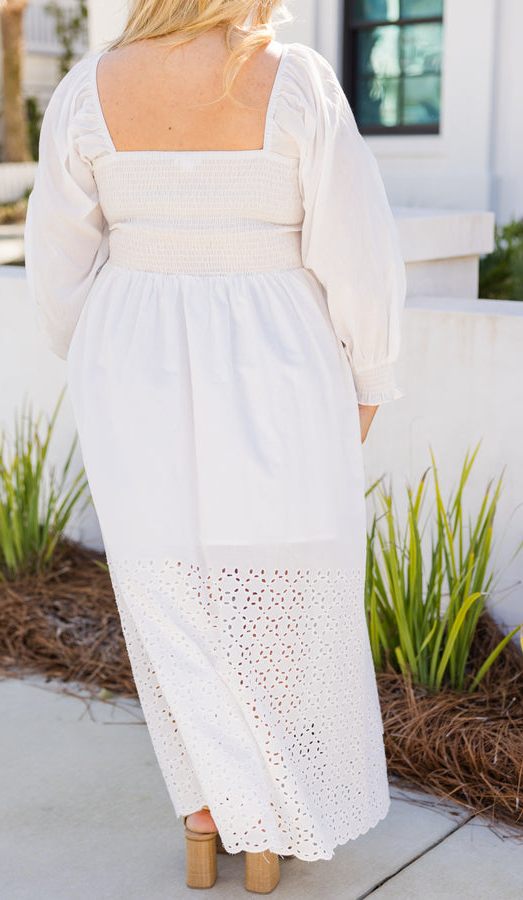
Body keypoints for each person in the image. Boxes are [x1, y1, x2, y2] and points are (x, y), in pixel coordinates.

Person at [24, 0, 406, 893]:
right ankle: (268, 821)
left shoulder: (87, 91)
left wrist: (111, 358)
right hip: (278, 361)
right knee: (285, 590)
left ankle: (209, 812)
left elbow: (58, 271)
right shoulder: (299, 81)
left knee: (171, 590)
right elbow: (359, 253)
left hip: (132, 357)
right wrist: (371, 379)